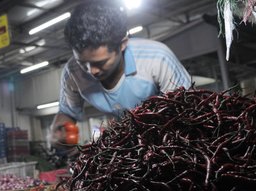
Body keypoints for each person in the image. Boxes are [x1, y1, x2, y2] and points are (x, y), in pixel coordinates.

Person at [50, 0, 191, 149]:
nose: (92, 71)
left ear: (122, 44)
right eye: (82, 62)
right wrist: (60, 131)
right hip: (128, 140)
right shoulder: (72, 73)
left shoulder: (158, 59)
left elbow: (185, 112)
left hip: (166, 135)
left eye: (101, 62)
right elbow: (67, 113)